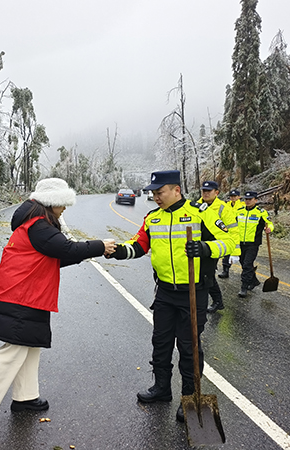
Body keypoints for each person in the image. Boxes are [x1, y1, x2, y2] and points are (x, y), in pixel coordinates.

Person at [0, 178, 116, 428]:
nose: (65, 208)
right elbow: (65, 249)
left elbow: (55, 257)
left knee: (29, 345)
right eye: (63, 203)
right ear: (52, 202)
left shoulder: (36, 223)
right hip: (21, 295)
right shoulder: (39, 226)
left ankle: (25, 397)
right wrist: (98, 246)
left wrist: (87, 251)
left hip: (26, 293)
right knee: (15, 350)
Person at [106, 170, 235, 423]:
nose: (155, 197)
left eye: (160, 192)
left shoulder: (200, 214)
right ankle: (161, 388)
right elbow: (139, 245)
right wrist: (119, 251)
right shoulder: (153, 219)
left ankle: (190, 397)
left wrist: (206, 248)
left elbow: (231, 241)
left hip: (193, 291)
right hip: (165, 292)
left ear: (176, 190)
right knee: (161, 343)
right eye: (153, 192)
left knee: (189, 348)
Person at [198, 181, 239, 313]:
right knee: (198, 274)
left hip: (215, 246)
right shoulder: (196, 204)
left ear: (216, 192)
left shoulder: (223, 208)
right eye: (204, 190)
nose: (205, 193)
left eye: (209, 191)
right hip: (199, 245)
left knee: (206, 274)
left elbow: (233, 230)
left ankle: (217, 301)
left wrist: (235, 252)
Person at [237, 191, 274, 298]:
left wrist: (269, 228)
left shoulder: (261, 212)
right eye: (246, 199)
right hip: (240, 243)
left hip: (253, 243)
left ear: (255, 200)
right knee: (243, 263)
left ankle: (244, 287)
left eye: (250, 199)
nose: (247, 201)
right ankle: (253, 281)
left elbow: (270, 223)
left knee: (247, 264)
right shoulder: (239, 212)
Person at [218, 189, 244, 279]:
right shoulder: (226, 206)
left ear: (238, 197)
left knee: (242, 257)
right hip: (228, 232)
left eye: (235, 196)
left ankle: (249, 275)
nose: (233, 198)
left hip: (240, 233)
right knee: (226, 253)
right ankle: (225, 270)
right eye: (231, 196)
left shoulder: (242, 206)